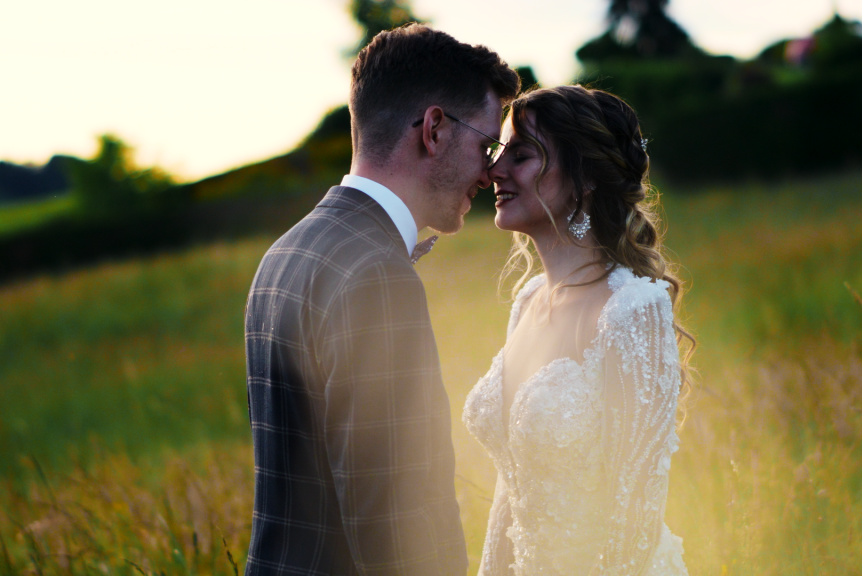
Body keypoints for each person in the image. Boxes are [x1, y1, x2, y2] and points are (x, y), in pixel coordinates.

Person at [244, 24, 520, 575]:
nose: (490, 173)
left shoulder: (286, 250)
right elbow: (396, 519)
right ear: (435, 130)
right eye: (486, 145)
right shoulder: (376, 274)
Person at [463, 85, 695, 575]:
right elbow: (510, 492)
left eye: (521, 155)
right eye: (497, 154)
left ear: (584, 177)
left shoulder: (632, 308)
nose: (493, 171)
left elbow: (636, 514)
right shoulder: (528, 301)